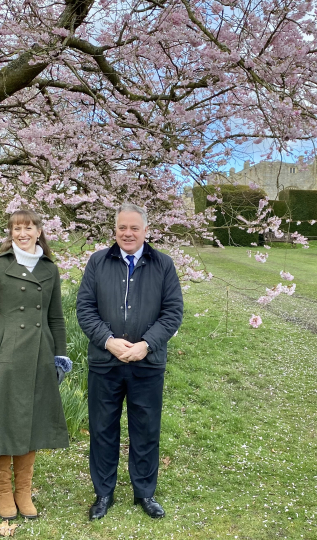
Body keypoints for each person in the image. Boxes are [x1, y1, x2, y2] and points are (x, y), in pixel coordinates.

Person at [76, 202, 183, 520]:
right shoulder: (97, 262)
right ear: (115, 229)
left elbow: (173, 311)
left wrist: (147, 345)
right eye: (122, 227)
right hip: (105, 363)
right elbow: (85, 308)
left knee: (146, 428)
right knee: (102, 429)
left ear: (146, 231)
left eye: (134, 228)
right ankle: (104, 493)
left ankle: (145, 493)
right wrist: (108, 341)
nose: (128, 233)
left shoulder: (163, 265)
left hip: (146, 365)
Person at [0, 209, 71, 521]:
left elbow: (56, 317)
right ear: (10, 232)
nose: (22, 233)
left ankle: (23, 491)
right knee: (1, 419)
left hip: (40, 354)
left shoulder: (49, 269)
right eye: (16, 228)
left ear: (39, 231)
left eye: (28, 227)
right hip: (5, 352)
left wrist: (60, 356)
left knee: (32, 420)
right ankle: (3, 491)